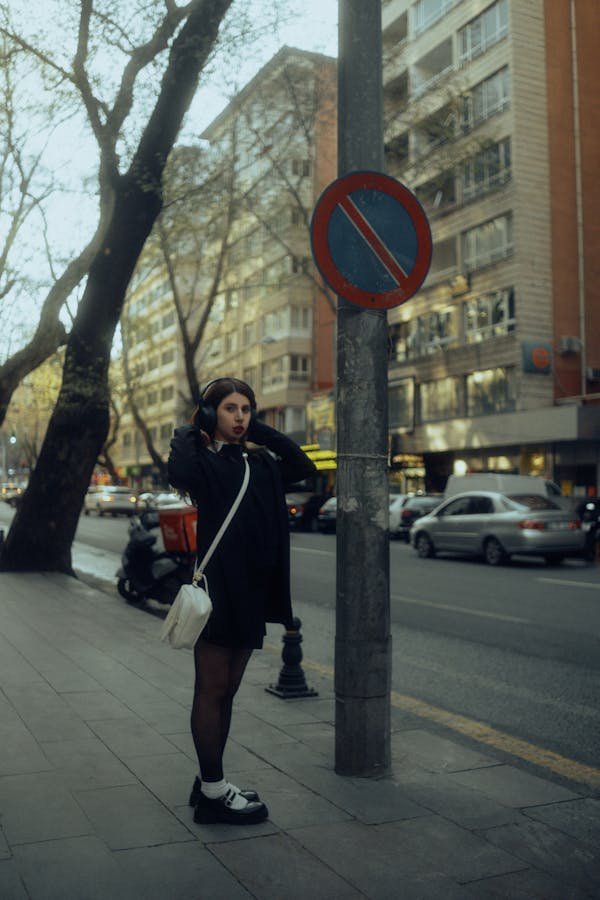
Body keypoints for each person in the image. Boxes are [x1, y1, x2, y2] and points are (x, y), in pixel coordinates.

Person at [167, 377, 316, 825]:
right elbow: (180, 471)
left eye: (246, 409)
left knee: (228, 691)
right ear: (212, 414)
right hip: (217, 591)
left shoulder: (262, 465)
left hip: (252, 592)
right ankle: (213, 794)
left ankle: (210, 778)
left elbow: (302, 463)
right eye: (229, 409)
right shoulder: (206, 467)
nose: (239, 416)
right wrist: (195, 427)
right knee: (211, 690)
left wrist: (257, 430)